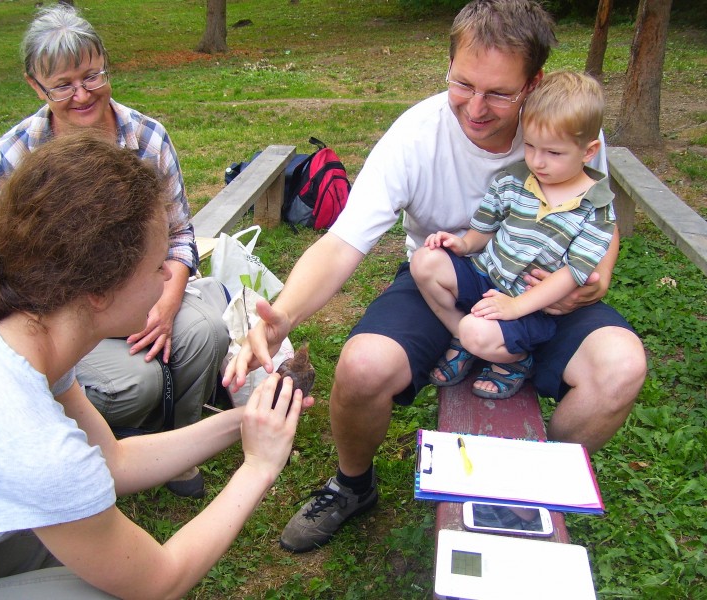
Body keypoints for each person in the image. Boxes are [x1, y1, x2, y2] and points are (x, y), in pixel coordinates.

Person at [223, 0, 646, 554]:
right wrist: (285, 315)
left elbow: (600, 214)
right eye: (462, 83)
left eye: (499, 92)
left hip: (545, 289)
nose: (475, 107)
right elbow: (343, 240)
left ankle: (534, 481)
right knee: (361, 364)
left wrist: (601, 276)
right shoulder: (417, 135)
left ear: (534, 82)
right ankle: (353, 485)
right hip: (444, 279)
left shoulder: (567, 125)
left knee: (622, 367)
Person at [0, 133, 307, 599]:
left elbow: (112, 461)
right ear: (98, 290)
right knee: (103, 592)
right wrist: (258, 467)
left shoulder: (23, 327)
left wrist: (247, 421)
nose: (169, 278)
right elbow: (159, 581)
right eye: (158, 265)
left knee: (75, 554)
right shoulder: (29, 442)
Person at [0, 4, 228, 497]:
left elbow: (181, 234)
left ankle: (175, 443)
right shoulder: (9, 160)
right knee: (137, 383)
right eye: (63, 84)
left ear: (106, 63)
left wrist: (167, 302)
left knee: (206, 331)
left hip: (146, 295)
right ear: (35, 86)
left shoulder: (146, 137)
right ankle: (119, 441)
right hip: (59, 316)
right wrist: (72, 309)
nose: (82, 94)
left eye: (91, 75)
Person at [410, 71, 614, 400]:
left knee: (477, 331)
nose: (538, 161)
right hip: (485, 278)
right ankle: (463, 338)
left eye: (554, 153)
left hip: (531, 306)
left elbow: (573, 275)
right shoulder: (515, 179)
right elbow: (484, 230)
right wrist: (461, 244)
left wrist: (516, 307)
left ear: (588, 151)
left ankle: (515, 360)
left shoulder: (596, 207)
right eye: (531, 146)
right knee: (424, 261)